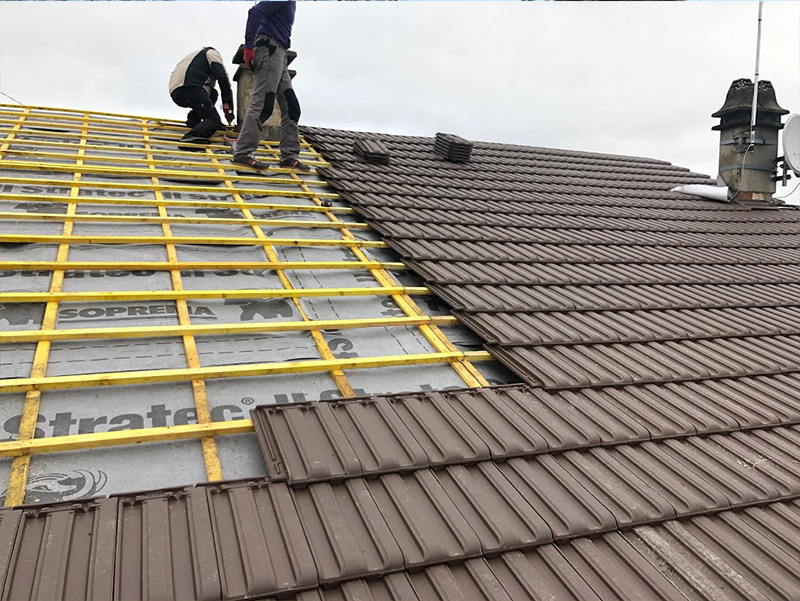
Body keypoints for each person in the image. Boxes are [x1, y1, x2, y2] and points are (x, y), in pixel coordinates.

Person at [231, 0, 310, 171]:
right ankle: (243, 152)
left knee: (291, 106)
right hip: (269, 48)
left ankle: (289, 156)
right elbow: (255, 12)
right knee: (263, 102)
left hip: (280, 52)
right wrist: (248, 47)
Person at [169, 47, 235, 147]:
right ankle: (190, 137)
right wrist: (229, 108)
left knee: (213, 93)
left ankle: (194, 119)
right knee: (214, 120)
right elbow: (223, 79)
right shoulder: (212, 53)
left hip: (177, 92)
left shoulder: (197, 58)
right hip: (190, 88)